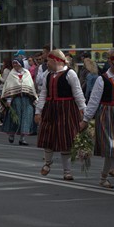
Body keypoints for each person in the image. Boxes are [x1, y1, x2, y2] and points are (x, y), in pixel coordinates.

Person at [80, 50, 114, 192]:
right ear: (110, 62)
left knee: (112, 150)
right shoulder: (102, 79)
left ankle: (103, 179)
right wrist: (86, 119)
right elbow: (94, 101)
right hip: (106, 114)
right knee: (113, 147)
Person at [34, 49, 86, 180]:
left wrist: (84, 111)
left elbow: (78, 93)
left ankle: (67, 172)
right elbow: (43, 95)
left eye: (48, 61)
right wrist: (38, 111)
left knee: (65, 140)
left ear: (56, 60)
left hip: (66, 110)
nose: (47, 63)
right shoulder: (48, 75)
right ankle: (47, 163)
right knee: (47, 137)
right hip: (50, 109)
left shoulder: (70, 74)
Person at [0, 54, 37, 146]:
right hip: (15, 100)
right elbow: (8, 87)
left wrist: (34, 98)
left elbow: (31, 86)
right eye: (13, 63)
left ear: (21, 64)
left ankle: (22, 138)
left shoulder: (27, 73)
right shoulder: (11, 74)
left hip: (26, 99)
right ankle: (12, 134)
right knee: (15, 118)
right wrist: (8, 100)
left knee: (26, 118)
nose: (15, 65)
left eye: (16, 63)